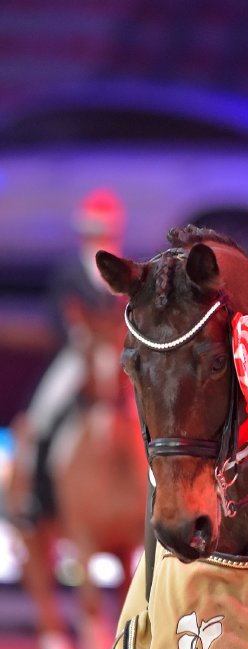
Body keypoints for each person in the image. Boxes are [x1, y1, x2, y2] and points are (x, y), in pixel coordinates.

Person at [9, 187, 126, 529]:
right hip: (78, 354)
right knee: (41, 414)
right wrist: (85, 338)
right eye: (93, 231)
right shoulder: (68, 274)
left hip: (118, 355)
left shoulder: (123, 269)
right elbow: (57, 319)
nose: (99, 237)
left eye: (104, 230)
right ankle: (31, 492)